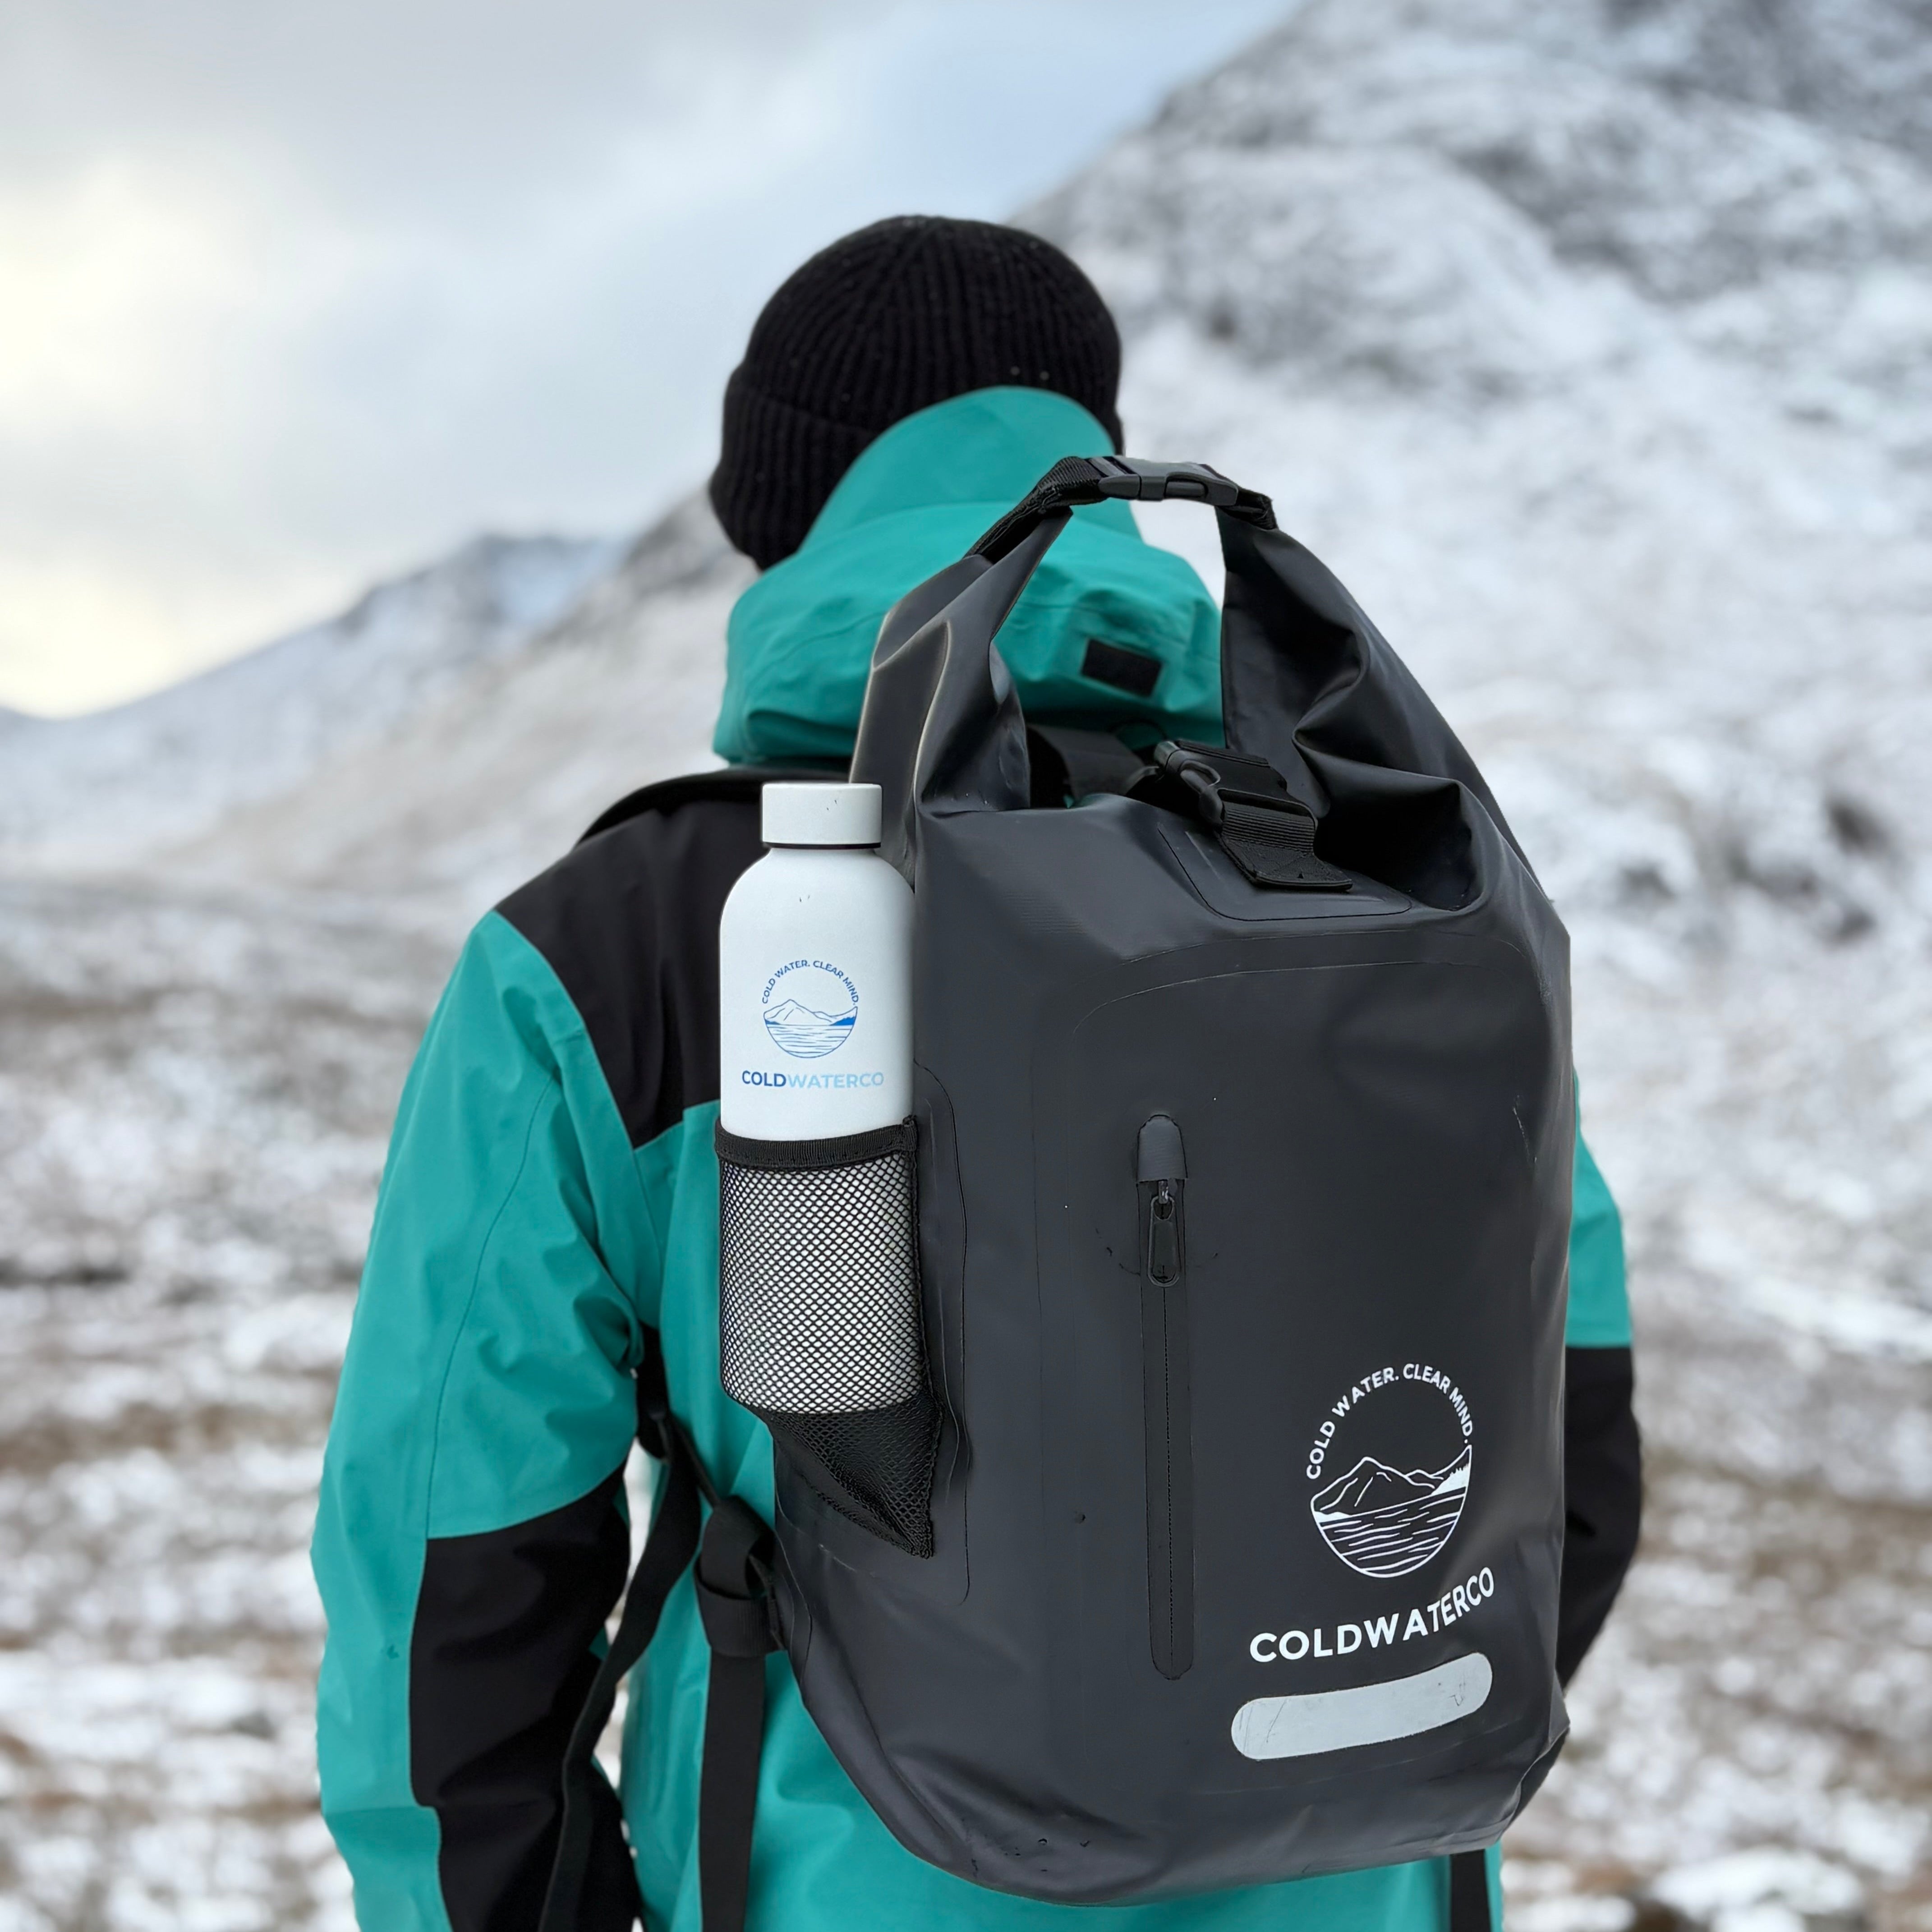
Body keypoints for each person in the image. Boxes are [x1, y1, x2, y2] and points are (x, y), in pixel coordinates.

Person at [313, 215, 1641, 1932]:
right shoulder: (1377, 901)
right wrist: (1303, 1772)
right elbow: (1566, 1451)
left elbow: (450, 1588)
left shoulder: (624, 947)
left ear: (780, 522)